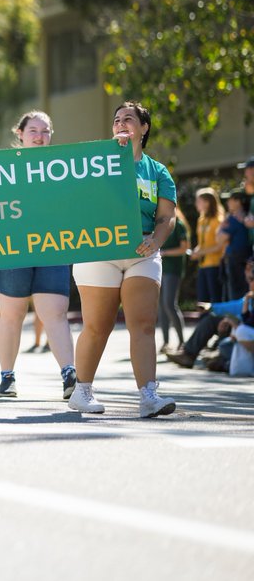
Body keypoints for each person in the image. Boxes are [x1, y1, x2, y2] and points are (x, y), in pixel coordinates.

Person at [68, 102, 176, 418]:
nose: (121, 123)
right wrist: (108, 161)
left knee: (143, 324)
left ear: (144, 128)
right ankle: (82, 390)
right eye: (116, 120)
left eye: (129, 119)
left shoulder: (158, 172)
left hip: (142, 253)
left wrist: (155, 240)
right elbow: (75, 201)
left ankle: (148, 396)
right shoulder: (96, 164)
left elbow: (166, 217)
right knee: (97, 325)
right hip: (98, 253)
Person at [0, 111, 77, 400]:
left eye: (46, 131)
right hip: (12, 249)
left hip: (53, 247)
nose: (40, 136)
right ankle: (7, 377)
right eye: (33, 131)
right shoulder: (2, 167)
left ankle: (69, 374)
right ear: (20, 134)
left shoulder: (63, 168)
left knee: (55, 312)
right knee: (12, 314)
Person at [167, 257, 254, 370]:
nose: (246, 271)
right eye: (246, 267)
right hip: (245, 333)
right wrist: (212, 308)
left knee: (229, 338)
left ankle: (220, 359)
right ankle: (192, 355)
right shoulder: (249, 296)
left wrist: (234, 322)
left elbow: (248, 321)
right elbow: (238, 307)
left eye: (250, 268)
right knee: (213, 321)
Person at [157, 205, 191, 354]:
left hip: (173, 270)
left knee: (169, 304)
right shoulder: (158, 225)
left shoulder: (179, 225)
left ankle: (182, 343)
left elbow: (185, 248)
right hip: (160, 270)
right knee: (161, 306)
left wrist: (165, 252)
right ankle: (165, 342)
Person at [190, 187, 224, 302]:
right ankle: (204, 320)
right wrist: (196, 251)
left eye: (198, 201)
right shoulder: (201, 220)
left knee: (215, 298)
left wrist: (201, 252)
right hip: (203, 265)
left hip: (215, 265)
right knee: (202, 299)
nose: (196, 204)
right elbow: (202, 243)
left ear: (207, 202)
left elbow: (220, 246)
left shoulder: (218, 220)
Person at [217, 190, 251, 301]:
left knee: (235, 293)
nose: (228, 202)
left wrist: (221, 227)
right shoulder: (247, 216)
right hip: (245, 256)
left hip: (235, 259)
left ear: (238, 202)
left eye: (231, 199)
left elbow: (220, 239)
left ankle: (237, 318)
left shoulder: (234, 218)